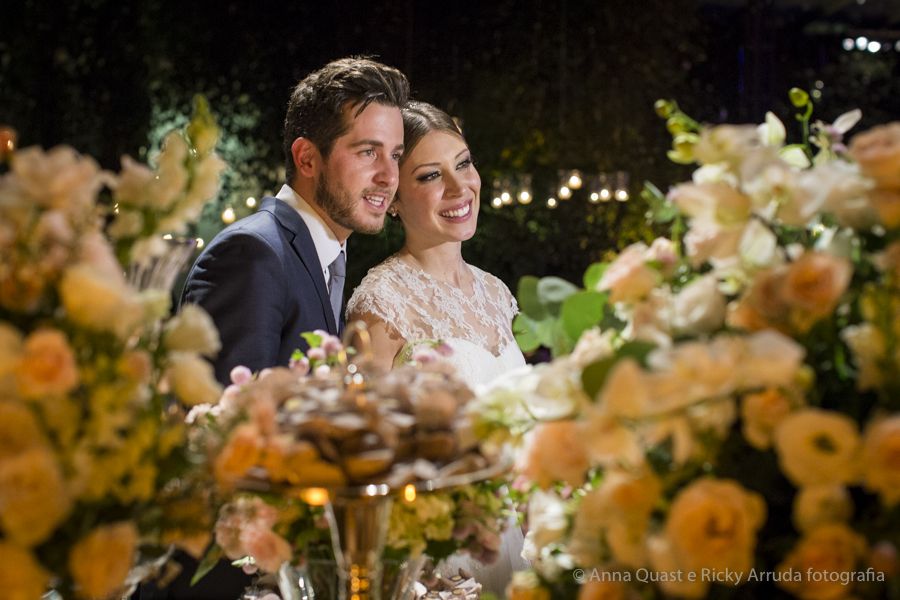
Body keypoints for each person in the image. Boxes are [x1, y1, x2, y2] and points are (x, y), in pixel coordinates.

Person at [142, 57, 409, 600]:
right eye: (367, 152)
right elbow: (218, 445)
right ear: (307, 157)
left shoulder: (322, 256)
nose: (389, 176)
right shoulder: (255, 253)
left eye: (396, 155)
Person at [346, 101, 527, 595]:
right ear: (395, 198)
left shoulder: (495, 293)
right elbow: (359, 457)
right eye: (430, 176)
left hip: (518, 544)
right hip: (442, 560)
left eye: (463, 164)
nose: (458, 187)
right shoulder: (380, 303)